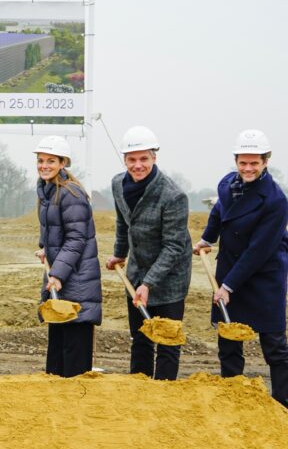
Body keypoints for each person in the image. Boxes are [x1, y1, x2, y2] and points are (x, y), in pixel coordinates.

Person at [194, 129, 288, 412]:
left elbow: (259, 250)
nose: (248, 168)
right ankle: (232, 401)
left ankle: (285, 409)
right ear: (236, 161)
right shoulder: (228, 184)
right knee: (228, 338)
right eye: (243, 162)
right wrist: (207, 238)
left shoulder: (275, 200)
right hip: (231, 266)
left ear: (265, 162)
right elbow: (219, 212)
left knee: (274, 343)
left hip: (264, 275)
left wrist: (227, 286)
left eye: (254, 163)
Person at [105, 126, 191, 380]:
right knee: (141, 337)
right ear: (125, 160)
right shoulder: (117, 184)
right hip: (137, 270)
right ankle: (140, 393)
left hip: (170, 277)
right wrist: (120, 254)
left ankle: (163, 395)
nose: (138, 165)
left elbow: (174, 246)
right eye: (132, 159)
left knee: (167, 340)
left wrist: (149, 283)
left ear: (154, 157)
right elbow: (123, 222)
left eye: (144, 159)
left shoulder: (173, 195)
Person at [33, 136, 102, 377]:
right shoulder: (48, 192)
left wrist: (58, 274)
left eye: (51, 160)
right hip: (62, 283)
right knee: (56, 362)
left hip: (76, 286)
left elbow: (76, 239)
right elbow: (57, 232)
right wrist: (46, 249)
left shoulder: (71, 194)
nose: (44, 165)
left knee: (73, 367)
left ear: (63, 163)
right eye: (41, 160)